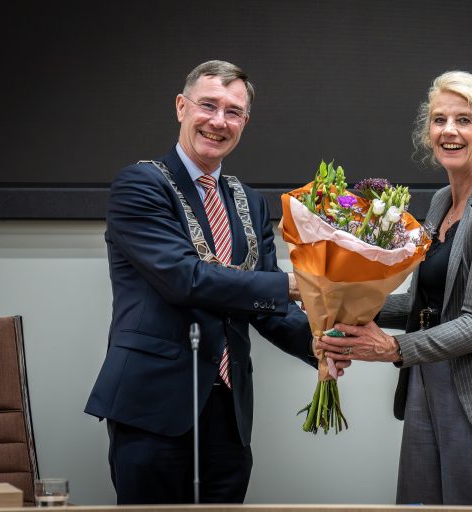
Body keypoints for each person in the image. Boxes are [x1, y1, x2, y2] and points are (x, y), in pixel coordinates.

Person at [85, 60, 347, 504]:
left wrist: (319, 342)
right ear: (181, 107)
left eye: (233, 112)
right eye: (209, 106)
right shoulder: (140, 185)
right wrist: (291, 286)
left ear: (245, 122)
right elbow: (185, 280)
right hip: (153, 407)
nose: (218, 121)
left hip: (229, 412)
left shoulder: (251, 201)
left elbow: (263, 307)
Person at [317, 71, 472, 506]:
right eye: (439, 119)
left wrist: (392, 349)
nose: (448, 130)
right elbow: (425, 302)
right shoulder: (440, 201)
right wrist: (343, 303)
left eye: (463, 120)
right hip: (430, 379)